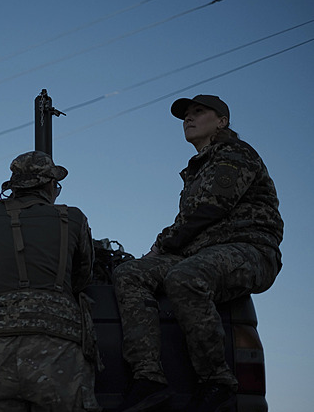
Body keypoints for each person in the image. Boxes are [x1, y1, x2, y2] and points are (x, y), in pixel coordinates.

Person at [113, 95, 283, 412]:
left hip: (249, 248)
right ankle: (149, 379)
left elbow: (211, 208)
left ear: (222, 121)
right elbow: (193, 222)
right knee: (130, 273)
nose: (188, 119)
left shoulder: (235, 154)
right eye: (185, 115)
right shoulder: (196, 169)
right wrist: (159, 251)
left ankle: (217, 382)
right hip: (201, 252)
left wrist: (163, 243)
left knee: (185, 278)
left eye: (198, 112)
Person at [0, 151, 101, 412]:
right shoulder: (75, 218)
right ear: (48, 186)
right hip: (60, 348)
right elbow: (83, 278)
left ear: (15, 185)